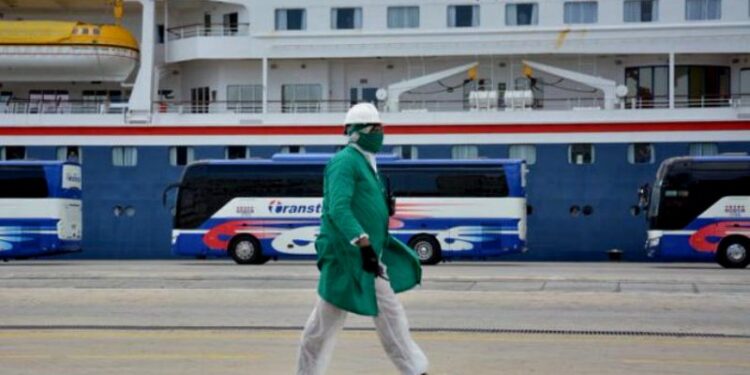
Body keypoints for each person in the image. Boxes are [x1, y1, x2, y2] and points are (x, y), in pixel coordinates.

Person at [297, 103, 428, 375]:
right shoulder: (344, 162)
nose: (380, 133)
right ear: (355, 132)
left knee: (390, 315)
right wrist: (364, 244)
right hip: (346, 257)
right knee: (322, 326)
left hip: (368, 255)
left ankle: (415, 370)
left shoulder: (367, 162)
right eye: (374, 128)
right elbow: (339, 208)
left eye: (381, 127)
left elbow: (361, 205)